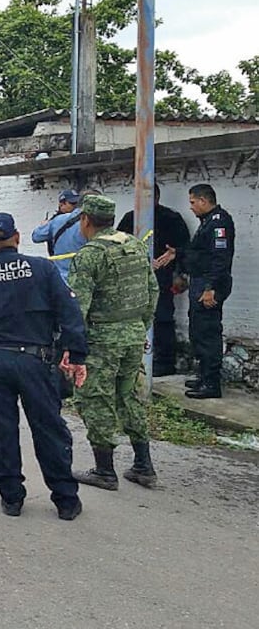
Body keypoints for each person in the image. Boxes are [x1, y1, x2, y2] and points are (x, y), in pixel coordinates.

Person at [0, 213, 88, 520]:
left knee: (0, 430)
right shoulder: (44, 269)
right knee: (49, 429)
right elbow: (70, 312)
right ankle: (65, 499)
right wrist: (76, 355)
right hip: (36, 362)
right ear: (18, 237)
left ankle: (12, 497)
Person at [68, 194, 159, 491]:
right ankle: (143, 465)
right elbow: (152, 291)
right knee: (128, 396)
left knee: (96, 398)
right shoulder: (134, 245)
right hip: (132, 334)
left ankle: (105, 471)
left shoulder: (90, 255)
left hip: (102, 339)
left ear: (85, 220)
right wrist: (140, 328)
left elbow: (77, 308)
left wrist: (72, 347)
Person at [165, 184, 235, 399]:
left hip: (208, 285)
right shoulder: (207, 222)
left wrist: (210, 288)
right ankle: (204, 376)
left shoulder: (218, 223)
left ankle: (211, 384)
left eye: (193, 202)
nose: (191, 207)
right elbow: (200, 253)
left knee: (207, 333)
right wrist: (178, 253)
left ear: (204, 201)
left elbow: (219, 259)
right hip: (200, 282)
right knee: (198, 332)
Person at [117, 184, 191, 377]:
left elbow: (184, 249)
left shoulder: (171, 219)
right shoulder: (130, 218)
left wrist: (181, 274)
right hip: (134, 278)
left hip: (163, 278)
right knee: (133, 319)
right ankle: (135, 358)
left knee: (163, 318)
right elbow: (117, 247)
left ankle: (165, 362)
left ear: (157, 197)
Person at [30, 189, 85, 280]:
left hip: (62, 275)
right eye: (72, 203)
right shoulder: (85, 220)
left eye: (76, 203)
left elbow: (36, 236)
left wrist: (43, 226)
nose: (75, 206)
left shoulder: (55, 222)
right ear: (61, 204)